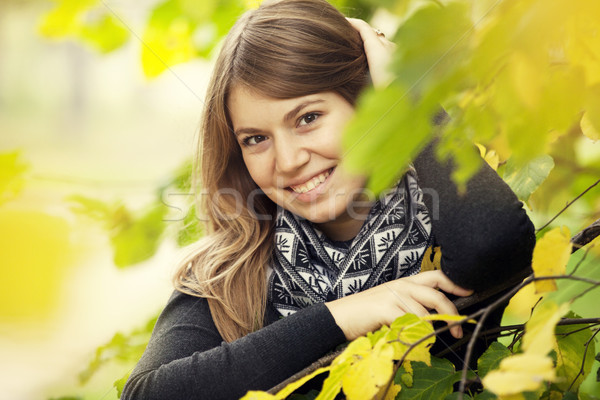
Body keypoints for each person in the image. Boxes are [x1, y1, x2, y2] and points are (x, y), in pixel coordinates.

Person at [121, 0, 536, 398]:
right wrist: (343, 316)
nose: (288, 160)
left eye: (308, 118)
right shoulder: (232, 270)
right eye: (256, 139)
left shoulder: (450, 221)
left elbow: (495, 240)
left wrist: (410, 96)